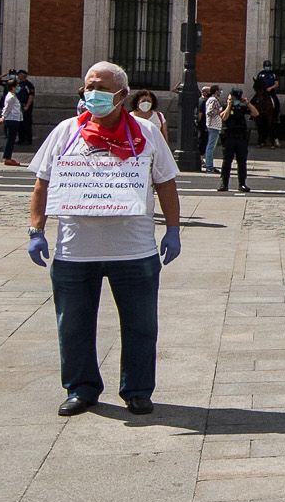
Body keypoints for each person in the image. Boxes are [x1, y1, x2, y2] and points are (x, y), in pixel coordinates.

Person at [26, 62, 183, 417]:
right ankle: (81, 388)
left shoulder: (146, 133)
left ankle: (138, 389)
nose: (91, 94)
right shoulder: (67, 132)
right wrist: (36, 230)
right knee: (73, 324)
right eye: (88, 87)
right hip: (75, 250)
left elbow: (166, 183)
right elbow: (42, 183)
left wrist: (173, 229)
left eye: (100, 87)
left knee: (141, 325)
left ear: (122, 95)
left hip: (134, 250)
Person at [213, 84, 252, 193]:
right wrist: (229, 105)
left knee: (242, 162)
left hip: (241, 137)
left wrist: (247, 103)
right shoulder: (225, 105)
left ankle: (242, 184)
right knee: (227, 161)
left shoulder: (242, 107)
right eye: (234, 97)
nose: (236, 100)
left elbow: (255, 113)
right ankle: (224, 183)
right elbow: (224, 117)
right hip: (229, 137)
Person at [0, 77, 28, 166]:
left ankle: (8, 157)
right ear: (13, 87)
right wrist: (3, 117)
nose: (18, 87)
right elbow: (7, 108)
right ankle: (7, 158)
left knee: (12, 139)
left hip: (15, 119)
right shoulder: (11, 97)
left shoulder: (13, 95)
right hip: (12, 120)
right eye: (17, 85)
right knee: (11, 140)